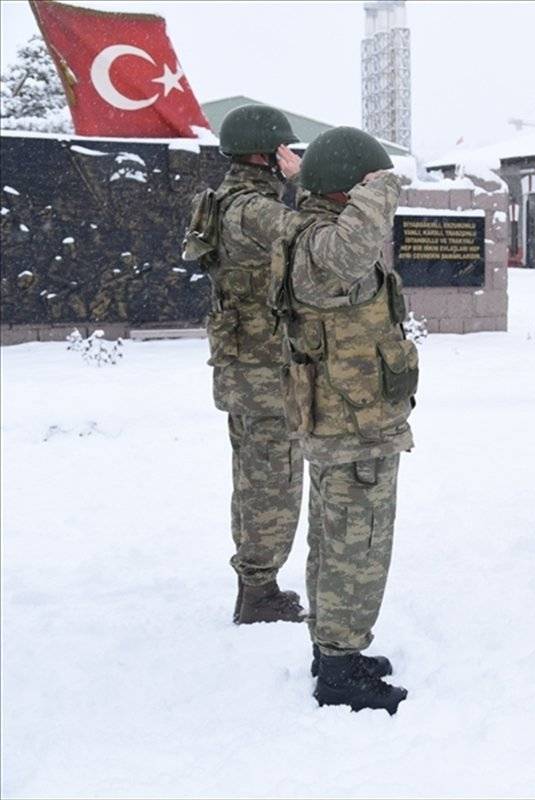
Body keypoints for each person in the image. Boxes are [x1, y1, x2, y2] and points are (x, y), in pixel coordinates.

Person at [270, 126, 417, 713]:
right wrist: (381, 187)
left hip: (344, 419)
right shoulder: (325, 247)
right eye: (364, 187)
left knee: (334, 542)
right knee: (359, 546)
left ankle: (334, 649)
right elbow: (354, 249)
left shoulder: (310, 233)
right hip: (353, 428)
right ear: (347, 192)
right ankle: (340, 671)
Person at [186, 104, 307, 625]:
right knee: (273, 481)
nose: (290, 157)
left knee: (255, 476)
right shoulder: (254, 209)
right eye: (284, 149)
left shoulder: (224, 200)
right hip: (265, 368)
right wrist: (306, 185)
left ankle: (256, 584)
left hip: (245, 363)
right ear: (265, 153)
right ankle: (259, 592)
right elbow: (319, 242)